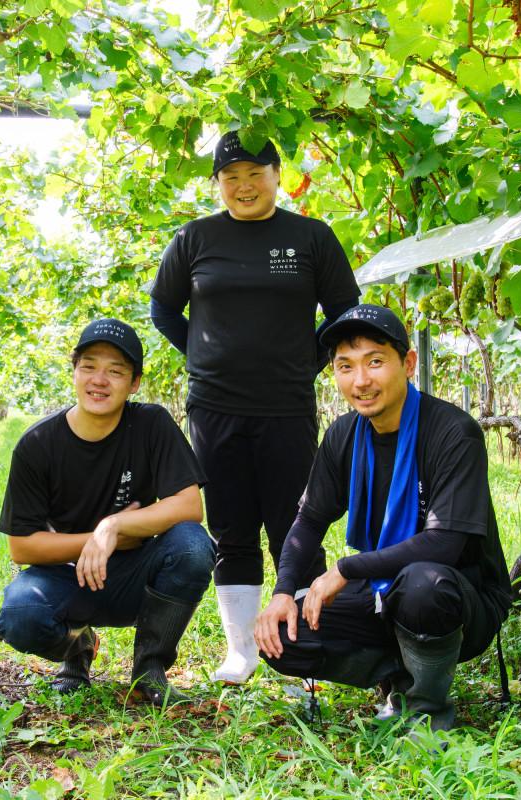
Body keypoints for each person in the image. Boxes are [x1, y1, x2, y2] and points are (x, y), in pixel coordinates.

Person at [149, 130, 361, 684]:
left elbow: (344, 310)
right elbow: (164, 309)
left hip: (287, 405)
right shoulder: (195, 238)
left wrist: (307, 363)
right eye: (231, 177)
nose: (243, 186)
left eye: (255, 174)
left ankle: (304, 652)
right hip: (214, 408)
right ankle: (241, 651)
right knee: (231, 526)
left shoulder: (311, 237)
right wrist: (203, 356)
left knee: (294, 524)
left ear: (276, 175)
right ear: (218, 184)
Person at [254, 304, 512, 731]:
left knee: (423, 584)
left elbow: (444, 545)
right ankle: (398, 677)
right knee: (282, 637)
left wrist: (344, 568)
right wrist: (283, 591)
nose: (361, 380)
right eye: (345, 366)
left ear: (407, 363)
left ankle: (426, 711)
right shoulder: (344, 434)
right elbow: (309, 521)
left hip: (459, 595)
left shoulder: (452, 432)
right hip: (382, 589)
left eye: (375, 362)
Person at [0, 319, 215, 705]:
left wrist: (114, 526)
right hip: (68, 579)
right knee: (21, 614)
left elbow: (188, 505)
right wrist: (95, 541)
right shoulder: (37, 445)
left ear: (134, 384)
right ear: (74, 371)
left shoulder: (151, 425)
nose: (100, 380)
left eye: (116, 371)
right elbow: (22, 547)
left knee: (193, 546)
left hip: (136, 576)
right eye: (90, 366)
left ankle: (150, 674)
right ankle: (78, 647)